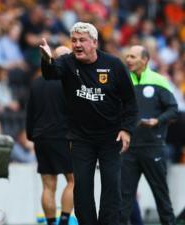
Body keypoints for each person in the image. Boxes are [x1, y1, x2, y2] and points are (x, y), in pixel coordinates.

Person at [39, 22, 138, 225]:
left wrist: (126, 130)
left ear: (94, 42)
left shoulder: (114, 65)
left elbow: (130, 102)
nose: (76, 44)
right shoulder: (67, 62)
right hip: (81, 138)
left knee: (111, 186)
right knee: (82, 188)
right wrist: (46, 59)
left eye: (82, 40)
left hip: (111, 138)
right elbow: (50, 73)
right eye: (73, 40)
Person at [120, 45, 177, 225]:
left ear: (145, 60)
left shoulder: (159, 80)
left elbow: (173, 109)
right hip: (128, 149)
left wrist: (157, 121)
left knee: (161, 197)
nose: (128, 60)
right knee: (123, 200)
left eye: (133, 57)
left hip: (153, 147)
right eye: (127, 56)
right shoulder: (123, 82)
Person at [26, 46, 74, 225]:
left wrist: (32, 136)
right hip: (63, 137)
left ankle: (51, 223)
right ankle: (64, 221)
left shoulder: (37, 82)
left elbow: (30, 112)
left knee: (48, 185)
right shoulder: (70, 81)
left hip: (41, 138)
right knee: (73, 181)